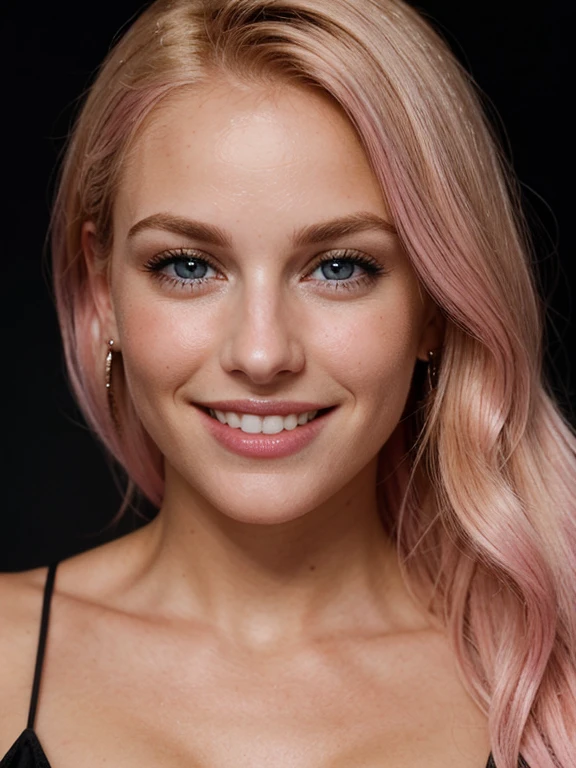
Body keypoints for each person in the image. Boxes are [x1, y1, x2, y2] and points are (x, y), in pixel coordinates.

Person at [1, 0, 574, 766]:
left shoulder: (556, 685)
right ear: (104, 292)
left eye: (340, 268)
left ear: (436, 305)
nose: (263, 353)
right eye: (188, 266)